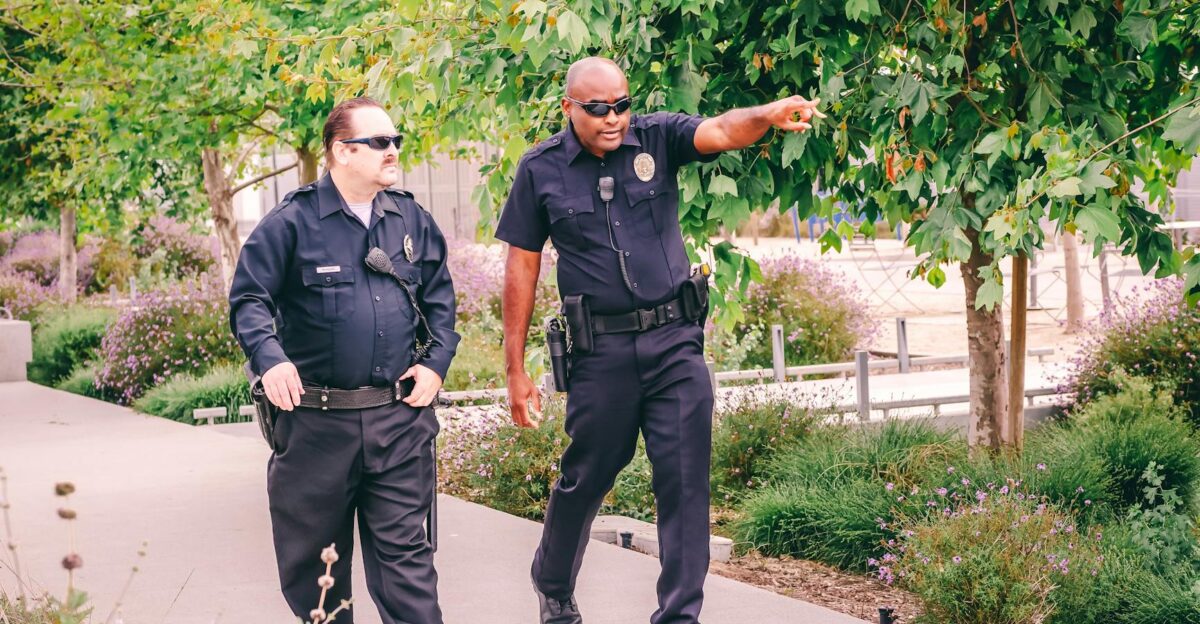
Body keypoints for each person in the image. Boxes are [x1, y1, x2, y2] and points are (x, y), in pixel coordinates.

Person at [496, 57, 823, 624]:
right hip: (601, 354)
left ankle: (678, 616)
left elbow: (721, 129)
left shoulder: (658, 136)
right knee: (589, 472)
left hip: (675, 343)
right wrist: (515, 368)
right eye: (598, 109)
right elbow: (521, 268)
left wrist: (766, 116)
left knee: (684, 483)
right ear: (570, 107)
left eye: (622, 104)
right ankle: (552, 584)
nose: (614, 118)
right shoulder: (540, 169)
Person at [229, 96, 459, 624]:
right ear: (341, 151)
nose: (393, 150)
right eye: (379, 142)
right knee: (318, 580)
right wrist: (270, 359)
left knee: (409, 568)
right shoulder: (291, 223)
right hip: (316, 427)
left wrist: (435, 363)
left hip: (398, 421)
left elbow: (442, 304)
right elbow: (249, 299)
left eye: (396, 140)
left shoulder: (411, 220)